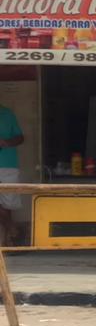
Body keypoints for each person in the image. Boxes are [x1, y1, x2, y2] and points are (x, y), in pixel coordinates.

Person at [0, 100, 24, 247]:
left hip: (8, 165)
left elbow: (20, 137)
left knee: (8, 204)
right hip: (7, 166)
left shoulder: (7, 113)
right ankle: (13, 230)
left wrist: (6, 143)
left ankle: (8, 241)